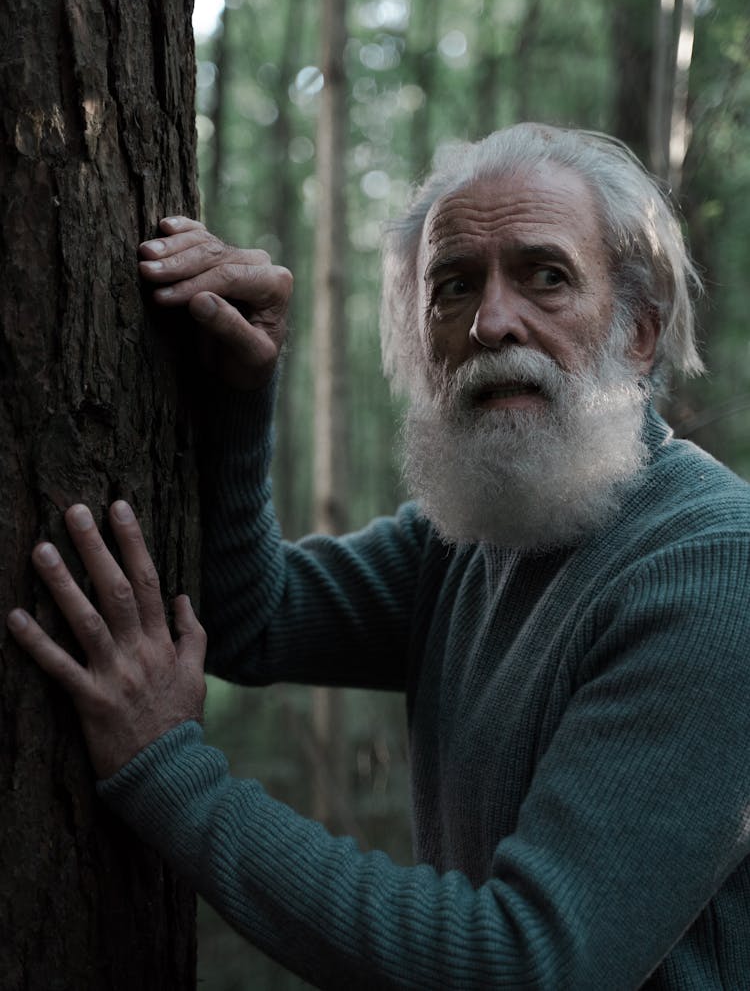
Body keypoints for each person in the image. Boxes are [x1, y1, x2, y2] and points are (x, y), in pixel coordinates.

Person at [7, 123, 750, 989]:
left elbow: (528, 963)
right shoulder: (473, 536)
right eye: (453, 285)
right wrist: (238, 398)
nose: (492, 321)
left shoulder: (713, 569)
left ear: (639, 333)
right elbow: (252, 619)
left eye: (546, 277)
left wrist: (169, 773)